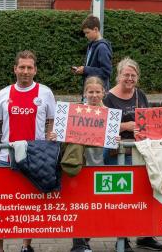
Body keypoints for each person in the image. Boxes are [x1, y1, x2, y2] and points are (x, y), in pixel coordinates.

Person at [0, 50, 56, 252]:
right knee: (1, 205)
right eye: (22, 67)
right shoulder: (4, 93)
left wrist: (51, 135)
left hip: (35, 158)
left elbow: (52, 120)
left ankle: (26, 246)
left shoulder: (45, 92)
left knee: (29, 205)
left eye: (29, 67)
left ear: (35, 70)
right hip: (6, 157)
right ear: (15, 69)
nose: (25, 71)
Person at [103, 57, 162, 252]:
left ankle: (145, 235)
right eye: (125, 75)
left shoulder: (141, 95)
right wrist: (124, 126)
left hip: (141, 152)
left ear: (137, 77)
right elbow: (100, 126)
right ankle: (122, 238)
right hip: (117, 153)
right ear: (118, 75)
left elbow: (148, 120)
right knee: (121, 197)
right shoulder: (108, 98)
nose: (129, 78)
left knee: (144, 194)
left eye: (133, 75)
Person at [48, 76, 107, 252]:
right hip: (78, 165)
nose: (94, 95)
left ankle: (85, 239)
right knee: (79, 204)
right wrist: (55, 135)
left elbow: (111, 140)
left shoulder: (109, 114)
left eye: (98, 92)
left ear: (103, 92)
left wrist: (115, 138)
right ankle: (79, 244)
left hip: (98, 164)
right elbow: (62, 135)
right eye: (91, 92)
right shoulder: (74, 112)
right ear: (85, 93)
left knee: (95, 207)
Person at [72, 14, 113, 98]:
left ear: (95, 29)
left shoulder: (102, 48)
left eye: (87, 32)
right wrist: (82, 70)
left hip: (99, 94)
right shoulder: (91, 45)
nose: (86, 35)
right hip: (90, 90)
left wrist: (86, 69)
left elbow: (106, 72)